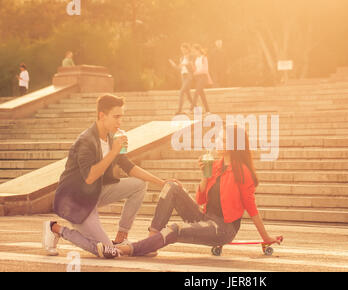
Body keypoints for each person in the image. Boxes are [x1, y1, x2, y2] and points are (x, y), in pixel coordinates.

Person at [42, 94, 181, 258]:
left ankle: (121, 238)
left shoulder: (111, 138)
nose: (119, 121)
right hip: (74, 201)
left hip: (94, 193)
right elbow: (90, 177)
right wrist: (114, 150)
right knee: (108, 252)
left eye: (121, 116)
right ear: (102, 115)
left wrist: (162, 182)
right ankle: (55, 229)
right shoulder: (86, 141)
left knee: (139, 184)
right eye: (116, 117)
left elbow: (128, 166)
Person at [146, 125, 282, 250]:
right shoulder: (215, 165)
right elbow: (200, 200)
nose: (217, 141)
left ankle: (139, 248)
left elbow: (252, 209)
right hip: (205, 218)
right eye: (218, 138)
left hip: (223, 229)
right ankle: (152, 237)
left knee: (174, 229)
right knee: (171, 186)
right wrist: (205, 174)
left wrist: (266, 238)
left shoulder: (242, 172)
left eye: (222, 140)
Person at [169, 43, 195, 115]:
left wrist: (185, 64)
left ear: (187, 49)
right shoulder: (182, 58)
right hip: (183, 77)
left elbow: (192, 65)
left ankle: (179, 110)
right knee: (188, 94)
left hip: (188, 76)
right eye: (181, 50)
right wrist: (174, 65)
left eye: (184, 49)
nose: (183, 51)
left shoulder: (190, 56)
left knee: (181, 92)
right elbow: (179, 68)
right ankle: (196, 108)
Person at [192, 44, 212, 114]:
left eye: (195, 51)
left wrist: (196, 73)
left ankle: (191, 109)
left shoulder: (204, 58)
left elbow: (205, 70)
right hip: (198, 78)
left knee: (196, 93)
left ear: (198, 50)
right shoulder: (196, 59)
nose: (194, 53)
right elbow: (197, 69)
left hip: (203, 77)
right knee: (202, 95)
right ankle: (208, 110)